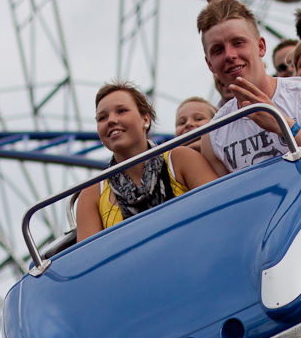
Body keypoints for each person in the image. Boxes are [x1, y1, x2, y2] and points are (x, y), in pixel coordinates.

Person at [196, 0, 301, 176]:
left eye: (238, 43)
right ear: (209, 64)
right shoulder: (213, 136)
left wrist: (283, 126)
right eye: (218, 50)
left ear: (261, 47)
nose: (229, 55)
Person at [76, 81, 218, 240]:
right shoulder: (92, 194)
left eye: (121, 111)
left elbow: (221, 209)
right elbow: (92, 257)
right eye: (102, 118)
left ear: (145, 119)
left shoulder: (180, 160)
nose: (111, 120)